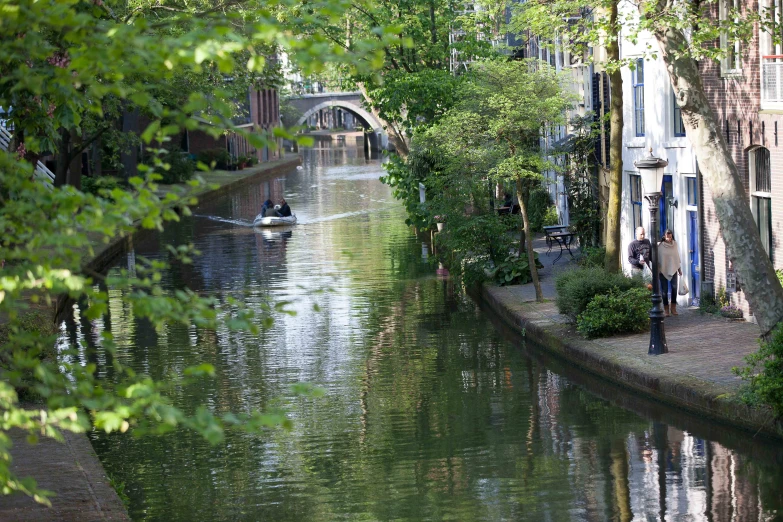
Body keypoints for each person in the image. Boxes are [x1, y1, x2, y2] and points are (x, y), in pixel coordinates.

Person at [658, 228, 682, 316]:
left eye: (671, 237)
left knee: (674, 288)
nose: (670, 239)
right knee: (664, 290)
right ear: (664, 236)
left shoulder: (674, 244)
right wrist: (658, 270)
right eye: (668, 237)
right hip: (663, 270)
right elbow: (658, 259)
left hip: (673, 269)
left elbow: (676, 257)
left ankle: (673, 308)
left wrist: (679, 269)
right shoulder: (660, 246)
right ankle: (666, 309)